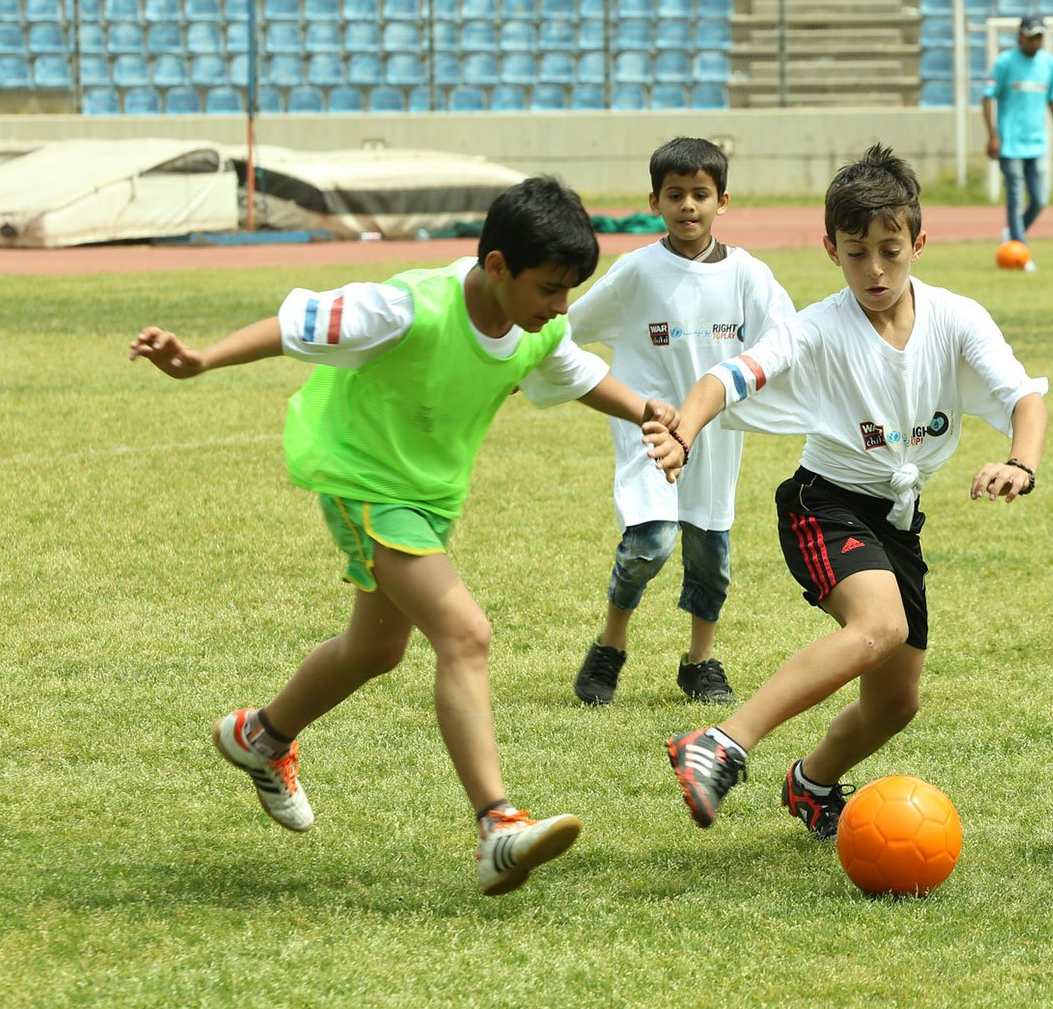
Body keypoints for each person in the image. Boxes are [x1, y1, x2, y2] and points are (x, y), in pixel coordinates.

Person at [129, 178, 686, 896]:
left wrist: (647, 409)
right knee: (465, 633)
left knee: (375, 650)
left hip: (427, 498)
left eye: (570, 290)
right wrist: (201, 359)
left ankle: (260, 736)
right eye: (550, 288)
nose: (562, 307)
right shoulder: (406, 307)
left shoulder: (537, 325)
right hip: (363, 481)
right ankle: (497, 826)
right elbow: (300, 325)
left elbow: (573, 372)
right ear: (495, 267)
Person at [659, 143, 1050, 839]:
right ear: (830, 250)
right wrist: (685, 430)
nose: (875, 269)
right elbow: (730, 377)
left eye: (890, 250)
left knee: (897, 703)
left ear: (919, 243)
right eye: (856, 251)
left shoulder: (957, 317)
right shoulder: (813, 328)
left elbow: (1024, 397)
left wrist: (1021, 463)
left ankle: (810, 784)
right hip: (824, 503)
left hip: (895, 520)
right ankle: (721, 743)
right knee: (880, 627)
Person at [565, 137, 797, 708]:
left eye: (700, 194)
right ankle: (610, 647)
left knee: (709, 556)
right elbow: (571, 325)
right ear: (654, 200)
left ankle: (699, 663)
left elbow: (789, 336)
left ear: (723, 201)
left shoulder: (748, 275)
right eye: (675, 195)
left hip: (715, 439)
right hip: (649, 430)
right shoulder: (637, 272)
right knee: (648, 544)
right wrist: (523, 363)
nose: (688, 205)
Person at [981, 13, 1053, 253]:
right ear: (1020, 36)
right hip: (1010, 143)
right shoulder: (1005, 62)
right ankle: (1020, 248)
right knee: (1015, 196)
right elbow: (987, 98)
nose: (1035, 42)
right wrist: (993, 135)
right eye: (1031, 37)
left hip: (1037, 142)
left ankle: (1013, 235)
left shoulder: (1048, 63)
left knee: (1040, 200)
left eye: (1039, 37)